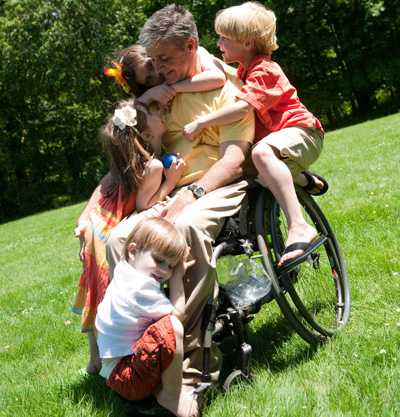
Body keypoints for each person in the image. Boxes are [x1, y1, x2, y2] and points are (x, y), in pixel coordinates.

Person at [106, 4, 255, 414]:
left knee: (185, 230)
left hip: (216, 185)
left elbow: (234, 159)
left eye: (166, 60)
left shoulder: (226, 87)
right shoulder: (164, 95)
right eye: (153, 61)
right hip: (172, 189)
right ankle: (138, 356)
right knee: (119, 238)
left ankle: (190, 370)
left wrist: (195, 193)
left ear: (192, 46)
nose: (158, 69)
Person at [182, 1, 328, 266]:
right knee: (255, 172)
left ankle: (299, 226)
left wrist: (202, 123)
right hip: (284, 141)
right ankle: (304, 181)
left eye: (225, 38)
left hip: (303, 132)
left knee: (261, 152)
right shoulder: (244, 70)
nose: (219, 43)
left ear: (247, 43)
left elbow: (241, 109)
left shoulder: (265, 71)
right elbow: (214, 65)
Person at [72, 99, 185, 374]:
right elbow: (145, 205)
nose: (161, 111)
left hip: (97, 226)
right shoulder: (153, 166)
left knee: (95, 291)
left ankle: (94, 358)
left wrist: (85, 218)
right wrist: (171, 182)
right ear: (146, 135)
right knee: (106, 290)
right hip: (109, 230)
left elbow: (101, 187)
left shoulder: (125, 163)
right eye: (154, 112)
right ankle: (110, 356)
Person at [95, 217, 197, 417]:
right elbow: (179, 314)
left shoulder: (124, 271)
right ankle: (171, 395)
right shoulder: (140, 288)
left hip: (116, 373)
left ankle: (154, 392)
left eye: (171, 266)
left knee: (162, 328)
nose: (164, 271)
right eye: (159, 260)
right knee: (172, 327)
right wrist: (177, 278)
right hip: (128, 379)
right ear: (132, 251)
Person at [105, 43, 227, 107]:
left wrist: (174, 88)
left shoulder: (192, 53)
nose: (157, 73)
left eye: (150, 65)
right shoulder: (159, 96)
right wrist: (149, 95)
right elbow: (132, 113)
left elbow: (218, 77)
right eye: (149, 80)